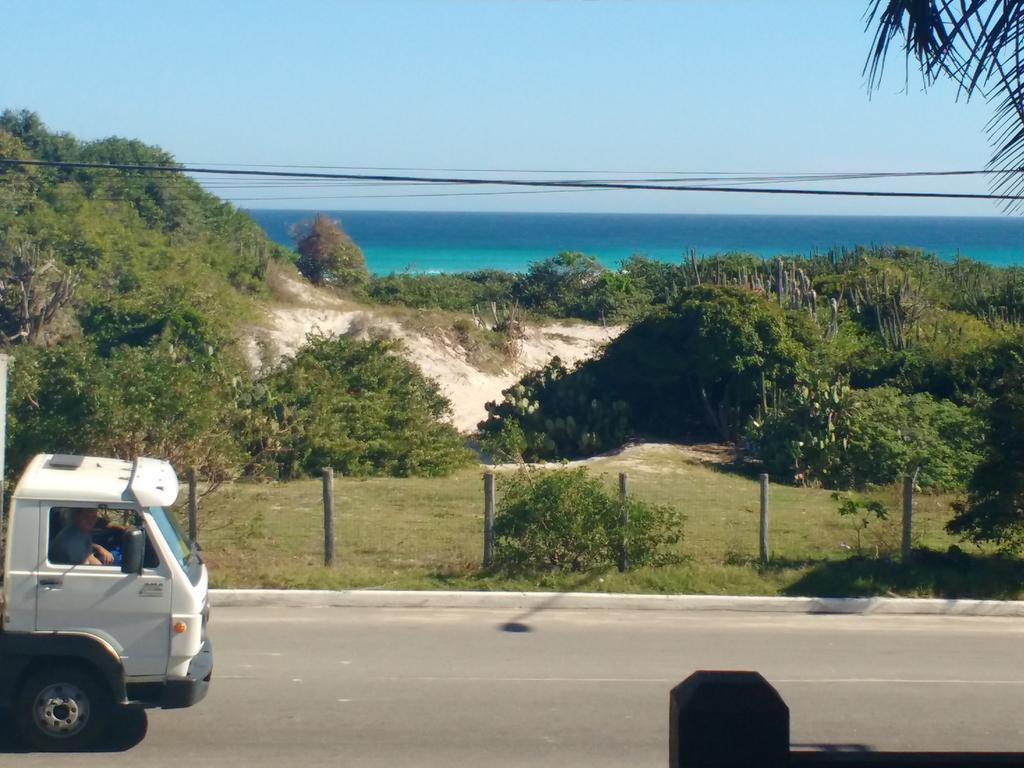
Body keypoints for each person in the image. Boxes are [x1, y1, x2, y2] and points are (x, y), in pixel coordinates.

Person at [50, 508, 115, 565]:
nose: (91, 520)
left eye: (94, 517)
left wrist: (99, 548)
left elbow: (85, 547)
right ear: (76, 516)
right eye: (86, 516)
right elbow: (91, 567)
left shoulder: (80, 530)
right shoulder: (71, 538)